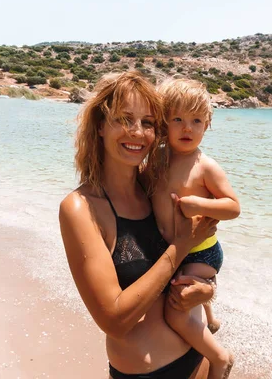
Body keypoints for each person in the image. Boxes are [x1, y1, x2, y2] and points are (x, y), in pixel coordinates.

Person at [59, 72, 219, 379]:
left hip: (199, 360)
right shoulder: (82, 208)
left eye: (148, 122)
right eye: (124, 119)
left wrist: (206, 290)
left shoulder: (156, 189)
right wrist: (179, 246)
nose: (137, 132)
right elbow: (115, 320)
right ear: (101, 125)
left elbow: (198, 260)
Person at [152, 79, 240, 379]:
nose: (187, 128)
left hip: (201, 253)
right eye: (177, 119)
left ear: (208, 125)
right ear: (164, 122)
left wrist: (197, 205)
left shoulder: (205, 167)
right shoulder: (156, 159)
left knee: (175, 312)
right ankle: (208, 322)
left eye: (196, 121)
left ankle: (219, 358)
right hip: (172, 250)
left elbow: (232, 207)